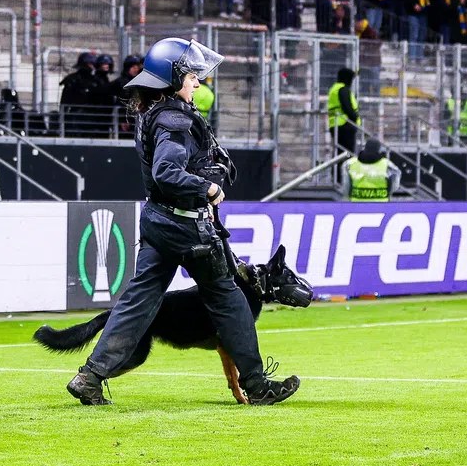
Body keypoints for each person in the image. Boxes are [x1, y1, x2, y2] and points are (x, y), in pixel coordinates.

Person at [65, 37, 298, 407]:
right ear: (172, 78)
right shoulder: (174, 119)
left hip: (158, 222)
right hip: (186, 226)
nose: (197, 83)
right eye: (191, 76)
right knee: (229, 298)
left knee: (138, 301)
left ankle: (90, 377)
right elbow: (167, 172)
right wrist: (206, 186)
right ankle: (257, 385)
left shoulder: (155, 113)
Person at [342, 137, 397, 201]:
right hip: (381, 204)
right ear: (378, 149)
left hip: (357, 204)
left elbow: (346, 186)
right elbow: (394, 185)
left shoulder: (350, 163)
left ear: (365, 147)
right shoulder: (387, 165)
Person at [327, 66, 358, 157]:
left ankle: (336, 171)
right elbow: (347, 107)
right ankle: (342, 171)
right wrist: (355, 118)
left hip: (336, 124)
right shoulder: (343, 89)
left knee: (339, 154)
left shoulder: (334, 89)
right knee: (346, 154)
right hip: (344, 124)